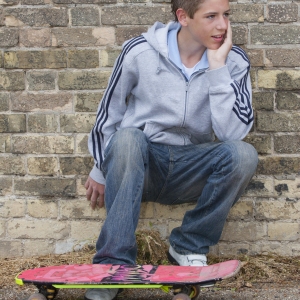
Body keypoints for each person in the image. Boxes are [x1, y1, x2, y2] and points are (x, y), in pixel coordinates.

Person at [84, 0, 258, 298]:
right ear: (184, 17)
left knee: (244, 155)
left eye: (226, 15)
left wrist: (218, 68)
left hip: (192, 167)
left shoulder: (235, 60)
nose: (223, 25)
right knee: (127, 137)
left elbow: (234, 133)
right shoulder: (139, 51)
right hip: (143, 163)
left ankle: (188, 246)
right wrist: (101, 168)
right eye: (211, 16)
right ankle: (113, 267)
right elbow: (109, 112)